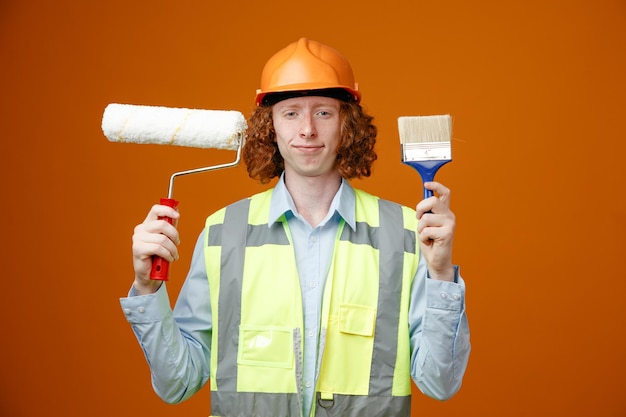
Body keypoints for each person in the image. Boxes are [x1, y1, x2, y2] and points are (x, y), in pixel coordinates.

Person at [121, 37, 470, 417]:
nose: (307, 130)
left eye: (323, 112)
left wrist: (440, 277)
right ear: (269, 126)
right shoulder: (224, 233)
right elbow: (177, 383)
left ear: (346, 125)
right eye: (290, 113)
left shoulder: (405, 233)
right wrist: (147, 288)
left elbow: (439, 383)